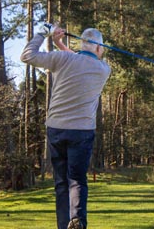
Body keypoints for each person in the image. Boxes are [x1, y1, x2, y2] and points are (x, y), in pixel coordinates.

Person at [21, 23, 111, 229]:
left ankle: (64, 225)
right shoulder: (104, 69)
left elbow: (27, 56)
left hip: (56, 128)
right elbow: (82, 61)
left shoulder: (63, 59)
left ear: (81, 44)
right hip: (82, 131)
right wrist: (61, 44)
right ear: (98, 48)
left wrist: (45, 33)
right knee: (77, 180)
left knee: (61, 182)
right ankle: (77, 220)